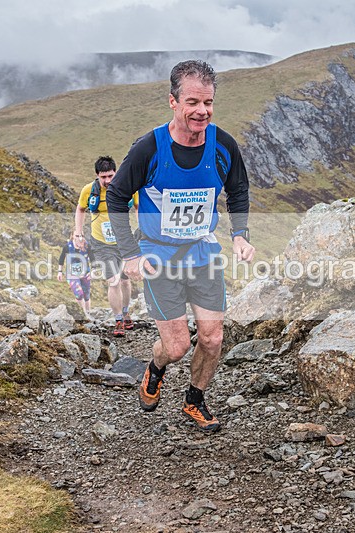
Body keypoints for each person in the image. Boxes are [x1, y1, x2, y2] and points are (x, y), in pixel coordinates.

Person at [107, 60, 255, 432]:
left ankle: (194, 400)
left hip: (203, 254)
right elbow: (118, 196)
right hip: (159, 258)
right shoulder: (149, 148)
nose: (201, 111)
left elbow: (237, 189)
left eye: (208, 103)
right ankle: (155, 368)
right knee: (176, 347)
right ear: (173, 102)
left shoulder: (222, 145)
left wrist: (240, 233)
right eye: (192, 102)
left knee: (212, 337)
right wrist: (130, 254)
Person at [74, 155, 139, 337]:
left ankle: (126, 313)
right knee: (114, 280)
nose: (107, 180)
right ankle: (118, 319)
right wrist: (78, 232)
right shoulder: (89, 190)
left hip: (124, 241)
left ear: (116, 173)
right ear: (97, 175)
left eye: (110, 176)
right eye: (103, 177)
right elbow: (80, 209)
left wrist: (142, 229)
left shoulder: (127, 187)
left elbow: (138, 207)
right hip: (102, 243)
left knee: (126, 281)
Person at [57, 231, 94, 317]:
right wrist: (59, 272)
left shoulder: (87, 246)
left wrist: (93, 271)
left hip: (85, 273)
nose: (79, 238)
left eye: (81, 235)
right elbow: (61, 259)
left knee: (86, 295)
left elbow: (93, 259)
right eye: (77, 235)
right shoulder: (67, 246)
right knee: (79, 293)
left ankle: (88, 314)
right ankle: (83, 314)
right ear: (73, 236)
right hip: (72, 274)